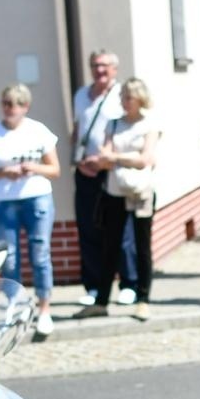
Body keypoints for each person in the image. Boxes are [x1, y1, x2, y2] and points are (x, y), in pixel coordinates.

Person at [0, 84, 61, 336]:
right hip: (3, 200)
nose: (11, 109)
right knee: (9, 257)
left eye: (17, 104)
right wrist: (2, 172)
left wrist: (33, 168)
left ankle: (44, 308)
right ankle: (17, 305)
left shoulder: (38, 130)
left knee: (40, 253)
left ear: (26, 107)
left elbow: (54, 169)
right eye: (7, 103)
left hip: (36, 197)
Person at [86, 77, 160, 322]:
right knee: (111, 245)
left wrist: (116, 157)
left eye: (128, 97)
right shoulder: (114, 123)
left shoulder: (148, 124)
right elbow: (103, 157)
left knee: (142, 247)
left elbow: (145, 159)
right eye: (122, 97)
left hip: (141, 193)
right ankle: (101, 301)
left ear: (139, 99)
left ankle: (143, 299)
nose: (124, 102)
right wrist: (126, 157)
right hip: (115, 192)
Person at [72, 50, 138, 308]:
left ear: (114, 68)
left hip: (111, 171)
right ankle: (94, 285)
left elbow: (127, 129)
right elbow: (77, 130)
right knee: (88, 228)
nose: (99, 70)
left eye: (104, 66)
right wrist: (77, 160)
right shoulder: (81, 95)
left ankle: (128, 283)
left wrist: (103, 160)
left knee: (121, 230)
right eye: (94, 66)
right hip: (85, 170)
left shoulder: (120, 95)